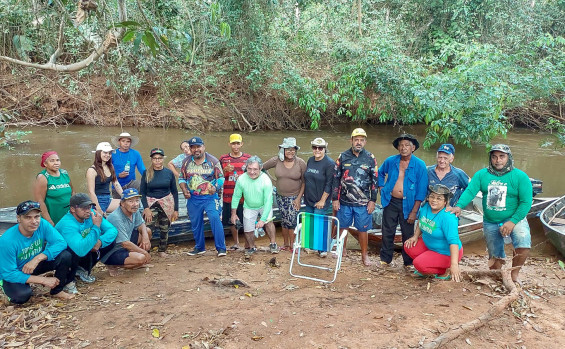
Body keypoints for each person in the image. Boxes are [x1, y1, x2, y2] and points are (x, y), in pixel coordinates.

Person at [449, 144, 533, 283]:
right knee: (495, 256)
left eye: (502, 156)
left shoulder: (520, 176)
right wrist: (459, 206)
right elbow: (470, 191)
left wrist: (512, 222)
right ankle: (498, 275)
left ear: (509, 157)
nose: (497, 160)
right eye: (494, 157)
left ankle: (514, 274)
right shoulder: (482, 174)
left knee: (523, 243)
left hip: (515, 218)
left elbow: (526, 202)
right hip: (490, 220)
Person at [0, 201, 75, 304]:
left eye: (37, 216)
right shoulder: (7, 241)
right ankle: (5, 287)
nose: (34, 221)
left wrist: (39, 257)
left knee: (65, 256)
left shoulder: (42, 224)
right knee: (21, 297)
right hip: (15, 271)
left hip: (33, 264)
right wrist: (43, 280)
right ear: (18, 218)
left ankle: (57, 291)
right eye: (28, 217)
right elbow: (9, 273)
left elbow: (60, 242)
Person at [378, 134, 428, 268]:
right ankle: (385, 259)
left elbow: (421, 190)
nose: (403, 148)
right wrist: (381, 187)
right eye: (401, 145)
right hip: (390, 201)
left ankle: (408, 261)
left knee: (408, 233)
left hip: (409, 204)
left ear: (413, 148)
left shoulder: (420, 165)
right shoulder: (391, 161)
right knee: (388, 231)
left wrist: (414, 211)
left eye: (407, 145)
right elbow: (380, 173)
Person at [332, 128, 378, 266]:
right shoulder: (342, 156)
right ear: (351, 140)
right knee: (342, 227)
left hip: (363, 203)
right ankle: (342, 249)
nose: (358, 142)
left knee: (363, 229)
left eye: (361, 140)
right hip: (344, 201)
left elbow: (375, 181)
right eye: (356, 139)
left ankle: (364, 256)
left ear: (365, 142)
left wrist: (373, 200)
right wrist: (335, 199)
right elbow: (336, 178)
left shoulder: (370, 158)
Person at [179, 136, 227, 256]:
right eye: (193, 147)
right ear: (190, 149)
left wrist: (215, 188)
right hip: (193, 198)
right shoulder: (186, 162)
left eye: (198, 146)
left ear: (203, 147)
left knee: (215, 219)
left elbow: (221, 178)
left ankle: (221, 248)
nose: (196, 149)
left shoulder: (213, 161)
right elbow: (181, 178)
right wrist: (184, 190)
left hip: (210, 197)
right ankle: (200, 247)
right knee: (195, 223)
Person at [404, 185, 463, 281]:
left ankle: (443, 271)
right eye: (432, 196)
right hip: (429, 246)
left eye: (439, 198)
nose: (434, 200)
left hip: (446, 253)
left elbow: (454, 242)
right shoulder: (426, 207)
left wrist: (454, 265)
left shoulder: (448, 217)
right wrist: (415, 236)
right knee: (408, 245)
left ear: (445, 202)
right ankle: (429, 267)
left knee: (418, 263)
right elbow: (421, 221)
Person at [55, 193, 118, 284]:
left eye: (89, 207)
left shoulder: (90, 214)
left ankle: (82, 270)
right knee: (70, 252)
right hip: (68, 254)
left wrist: (100, 241)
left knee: (110, 241)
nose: (88, 211)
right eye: (83, 208)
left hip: (83, 248)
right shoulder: (67, 224)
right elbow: (80, 249)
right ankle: (68, 279)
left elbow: (112, 230)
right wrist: (96, 226)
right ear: (72, 209)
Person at [264, 137, 306, 251]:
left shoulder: (300, 163)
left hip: (294, 197)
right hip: (280, 196)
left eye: (292, 150)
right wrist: (272, 181)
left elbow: (304, 182)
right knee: (284, 220)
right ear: (282, 150)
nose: (290, 152)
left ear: (295, 151)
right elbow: (262, 167)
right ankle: (286, 244)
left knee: (292, 221)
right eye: (287, 149)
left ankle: (293, 245)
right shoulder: (277, 160)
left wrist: (298, 198)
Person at [230, 156, 279, 255]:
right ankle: (252, 247)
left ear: (260, 168)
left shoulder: (265, 180)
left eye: (255, 169)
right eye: (249, 169)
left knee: (269, 222)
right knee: (248, 228)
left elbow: (268, 201)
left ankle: (273, 243)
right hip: (249, 206)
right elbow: (236, 197)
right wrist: (233, 214)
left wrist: (263, 219)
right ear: (246, 168)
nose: (252, 172)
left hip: (264, 204)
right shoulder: (241, 179)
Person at [102, 189, 152, 273]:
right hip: (113, 250)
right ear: (122, 203)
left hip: (126, 241)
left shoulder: (134, 211)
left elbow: (141, 224)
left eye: (137, 201)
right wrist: (145, 253)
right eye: (130, 201)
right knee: (141, 258)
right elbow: (124, 243)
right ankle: (112, 264)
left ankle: (136, 258)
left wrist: (145, 237)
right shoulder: (116, 217)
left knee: (147, 231)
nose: (135, 204)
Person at [140, 148, 179, 256]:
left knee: (165, 228)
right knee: (148, 228)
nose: (157, 161)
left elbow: (175, 192)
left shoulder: (169, 173)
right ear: (151, 160)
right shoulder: (146, 173)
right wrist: (146, 208)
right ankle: (145, 251)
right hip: (151, 202)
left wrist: (176, 209)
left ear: (163, 159)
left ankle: (162, 250)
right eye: (155, 158)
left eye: (160, 158)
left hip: (166, 202)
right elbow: (142, 192)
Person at [219, 133, 251, 251]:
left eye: (238, 143)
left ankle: (248, 243)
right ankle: (236, 243)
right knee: (232, 221)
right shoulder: (223, 159)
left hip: (245, 196)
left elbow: (254, 174)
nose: (235, 146)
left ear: (242, 144)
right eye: (233, 143)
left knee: (247, 220)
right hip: (228, 195)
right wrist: (224, 170)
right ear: (229, 144)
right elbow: (217, 175)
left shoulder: (248, 158)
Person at [33, 151, 74, 226]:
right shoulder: (43, 178)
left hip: (68, 215)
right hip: (53, 217)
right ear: (45, 164)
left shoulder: (64, 173)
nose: (56, 163)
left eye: (58, 160)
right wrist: (49, 221)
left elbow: (73, 193)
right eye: (52, 161)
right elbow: (40, 201)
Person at [86, 142, 123, 216]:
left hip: (108, 199)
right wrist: (98, 209)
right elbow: (91, 192)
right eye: (105, 153)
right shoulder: (92, 170)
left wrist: (125, 197)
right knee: (104, 224)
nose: (108, 155)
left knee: (129, 205)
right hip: (97, 200)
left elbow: (116, 184)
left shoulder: (110, 166)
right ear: (98, 153)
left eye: (109, 153)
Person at [110, 132, 146, 198]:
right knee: (120, 205)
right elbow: (107, 171)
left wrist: (150, 178)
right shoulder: (112, 154)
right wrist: (118, 175)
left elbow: (142, 169)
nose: (126, 143)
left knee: (141, 187)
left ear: (130, 143)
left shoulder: (136, 153)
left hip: (132, 183)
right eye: (123, 141)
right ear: (119, 142)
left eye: (128, 141)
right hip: (117, 185)